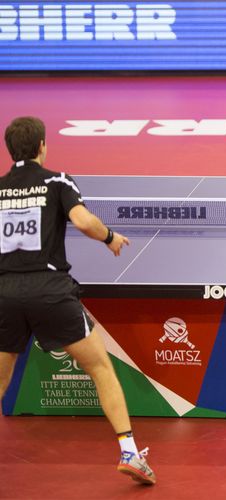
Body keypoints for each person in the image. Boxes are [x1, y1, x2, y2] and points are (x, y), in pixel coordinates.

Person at [0, 117, 156, 485]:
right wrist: (111, 238)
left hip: (5, 293)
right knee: (101, 368)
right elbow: (84, 222)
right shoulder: (57, 181)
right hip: (51, 292)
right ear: (42, 146)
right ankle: (131, 453)